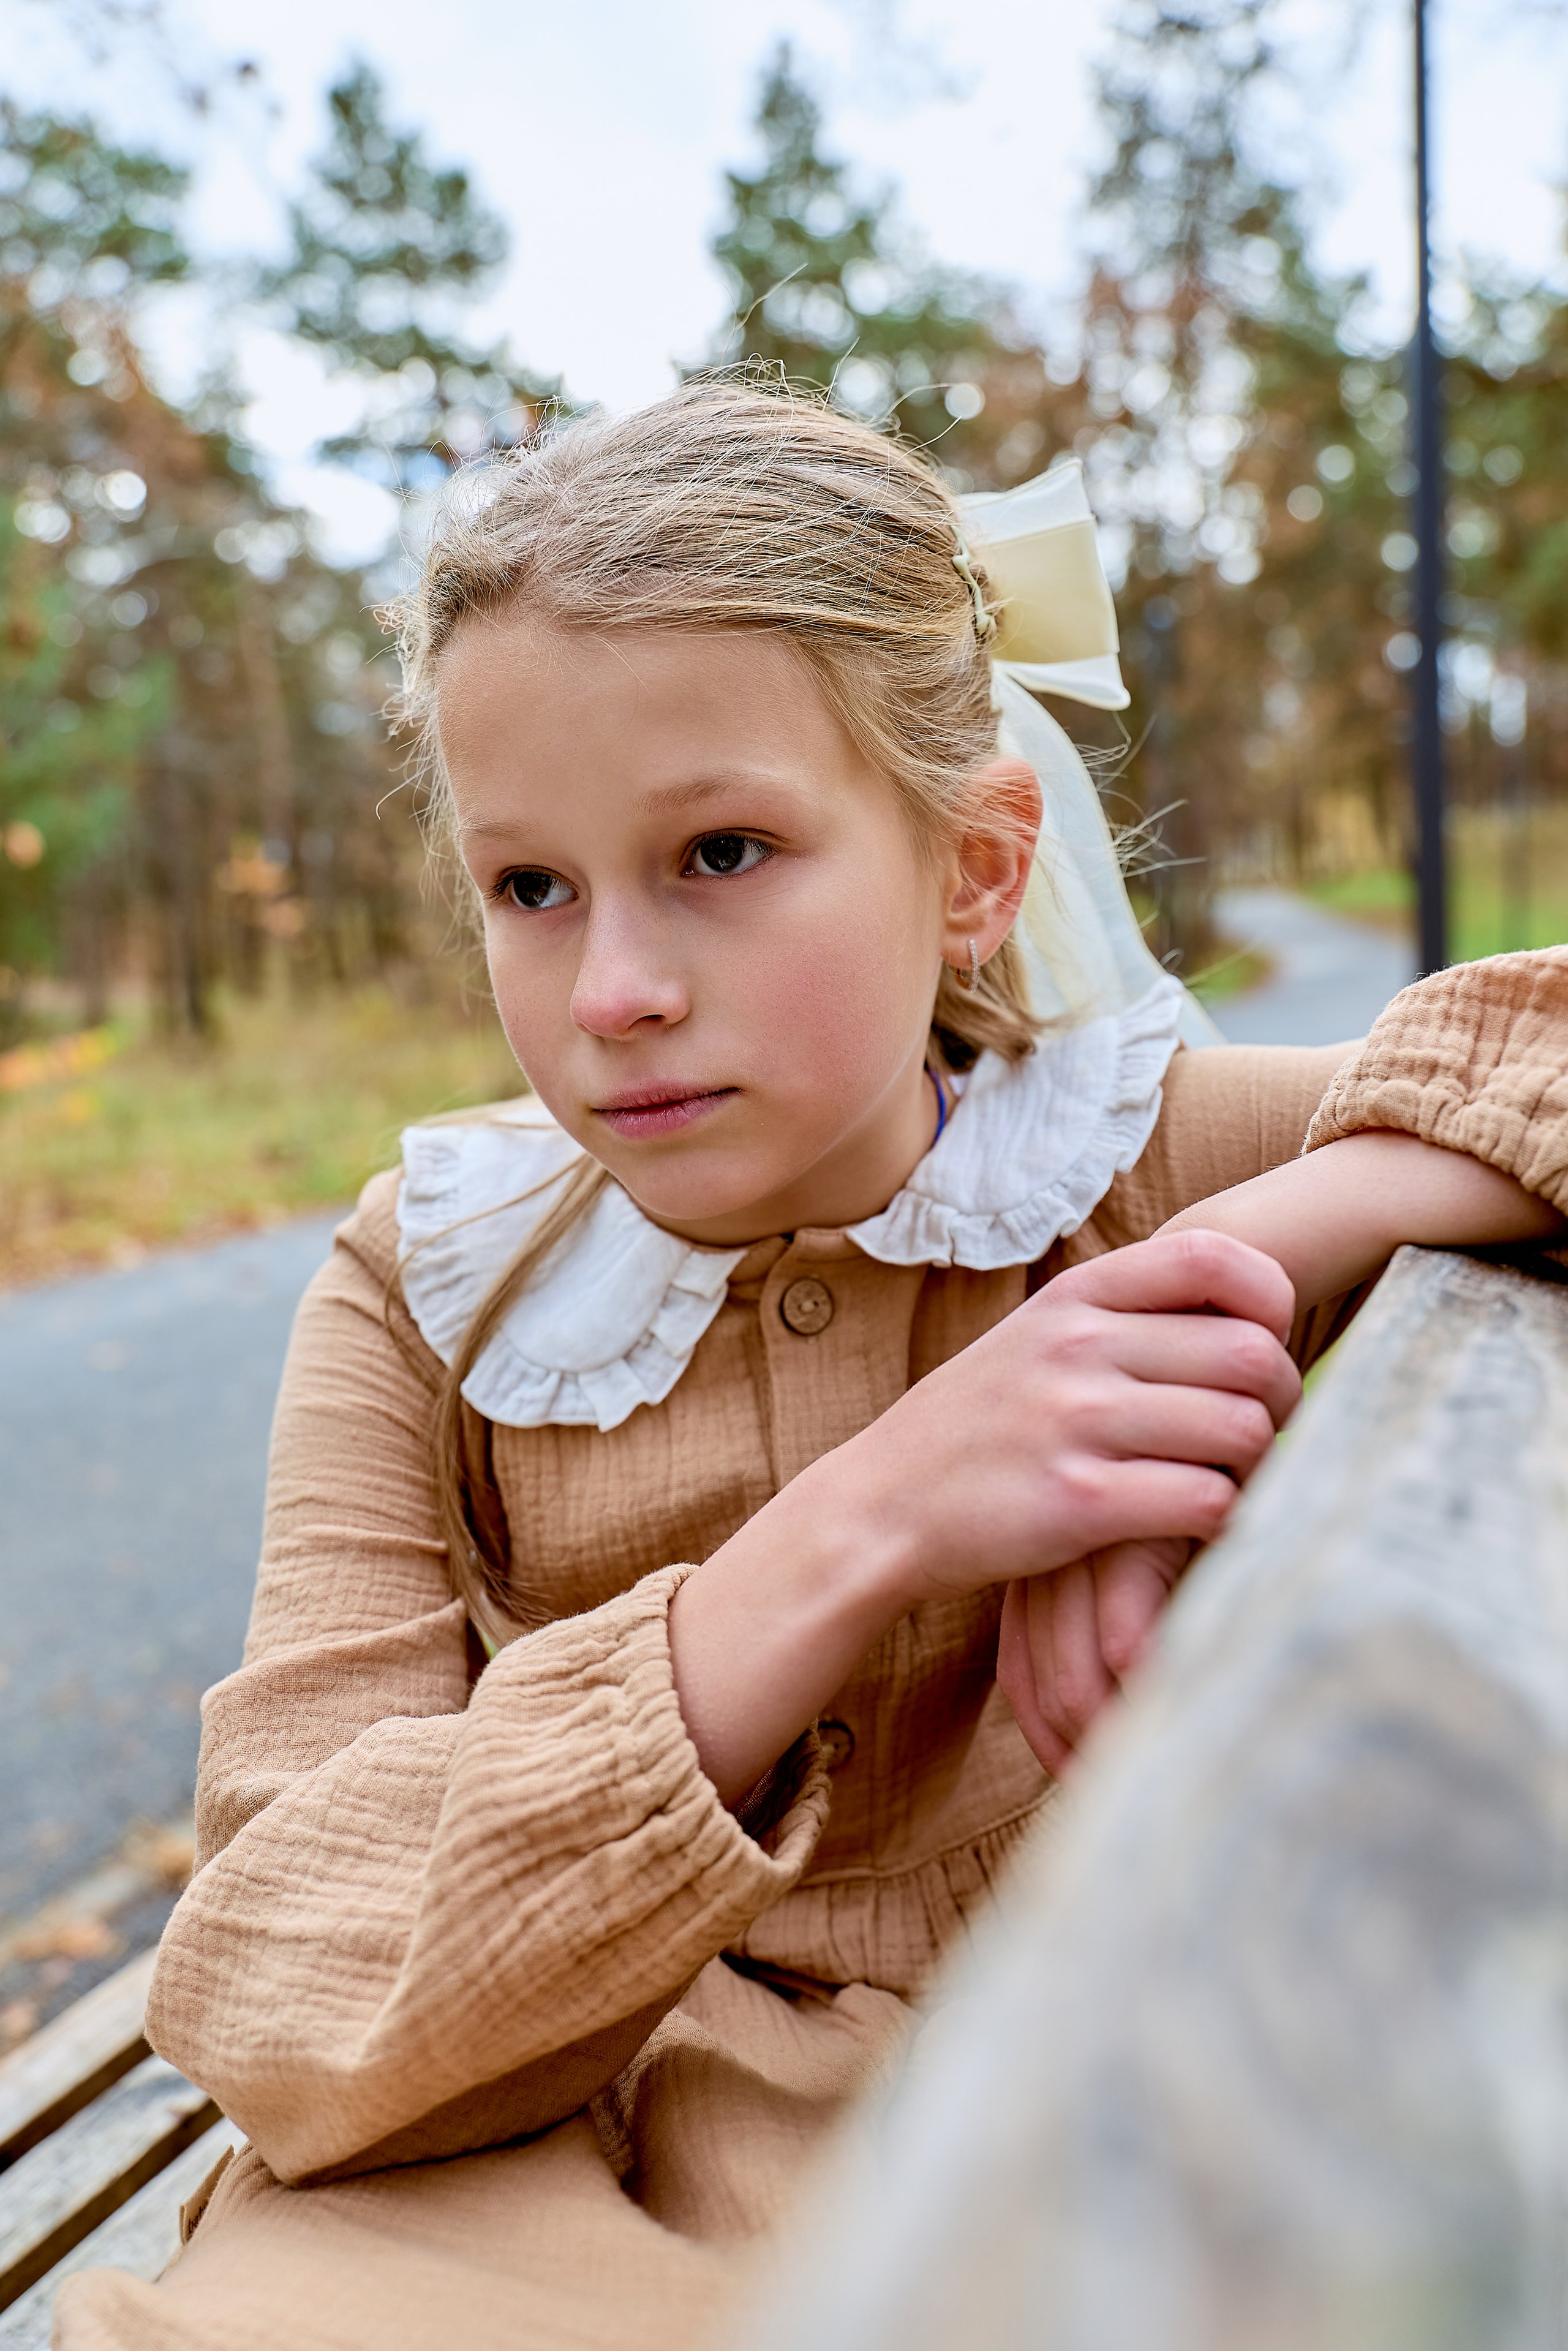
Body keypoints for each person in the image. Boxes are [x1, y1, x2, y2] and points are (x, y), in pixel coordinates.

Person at [59, 384, 1567, 2351]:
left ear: (971, 866)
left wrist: (1203, 1278)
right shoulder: (426, 1290)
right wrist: (864, 1521)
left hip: (1093, 2104)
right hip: (524, 2145)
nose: (613, 993)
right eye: (532, 888)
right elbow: (269, 1975)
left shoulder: (1120, 1162)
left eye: (723, 851)